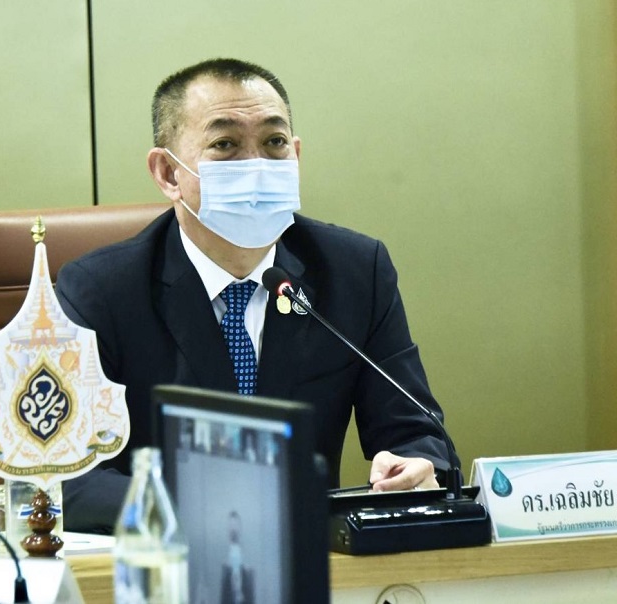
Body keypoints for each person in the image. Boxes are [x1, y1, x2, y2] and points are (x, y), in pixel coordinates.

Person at [57, 58, 458, 533]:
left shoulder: (354, 271)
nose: (257, 166)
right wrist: (203, 507)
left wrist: (417, 465)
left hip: (305, 558)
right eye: (225, 144)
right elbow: (69, 478)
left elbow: (416, 430)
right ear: (168, 173)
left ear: (296, 155)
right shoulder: (101, 290)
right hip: (166, 557)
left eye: (274, 143)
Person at [220, 511, 255, 604]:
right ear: (227, 529)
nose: (233, 529)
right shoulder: (223, 562)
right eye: (231, 525)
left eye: (235, 525)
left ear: (240, 528)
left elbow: (250, 593)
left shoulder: (248, 560)